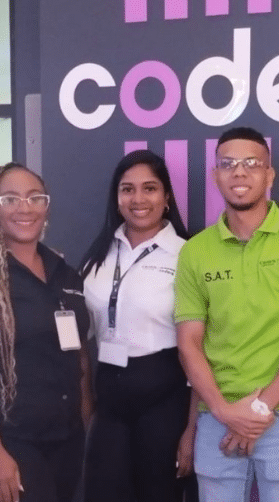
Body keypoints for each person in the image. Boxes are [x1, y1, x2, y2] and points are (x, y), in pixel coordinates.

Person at [175, 126, 279, 502]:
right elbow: (188, 343)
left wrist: (259, 409)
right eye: (228, 164)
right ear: (215, 175)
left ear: (270, 174)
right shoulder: (195, 252)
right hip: (217, 418)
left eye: (251, 163)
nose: (239, 172)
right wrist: (225, 411)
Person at [0, 163, 92, 502]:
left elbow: (79, 355)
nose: (24, 208)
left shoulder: (65, 273)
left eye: (34, 198)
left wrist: (83, 423)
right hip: (6, 441)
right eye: (10, 199)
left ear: (46, 206)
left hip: (64, 438)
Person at [80, 149, 197, 501]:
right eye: (127, 189)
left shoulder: (188, 254)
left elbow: (203, 349)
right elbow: (82, 339)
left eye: (150, 188)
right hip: (110, 399)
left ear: (166, 197)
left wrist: (192, 430)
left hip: (166, 398)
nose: (138, 199)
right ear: (116, 199)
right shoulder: (98, 255)